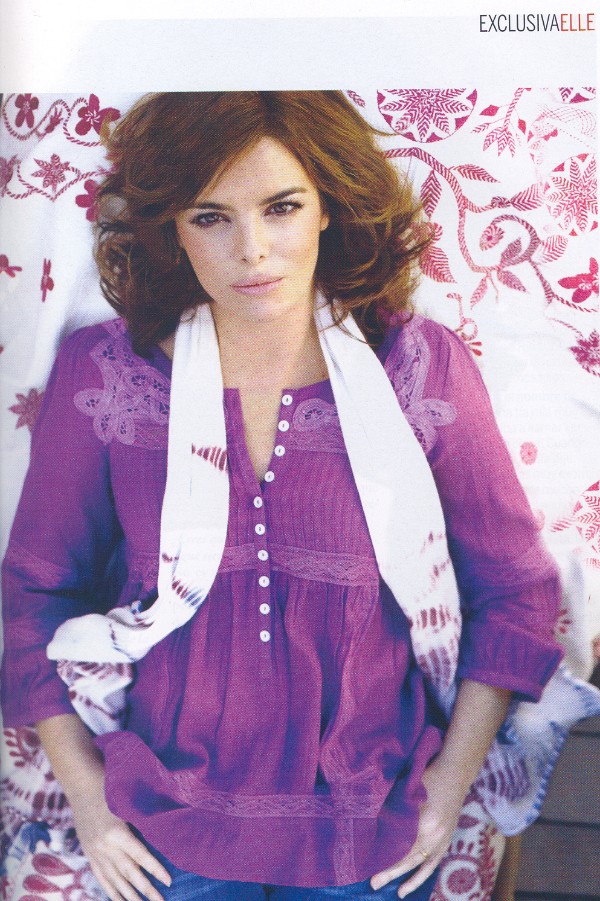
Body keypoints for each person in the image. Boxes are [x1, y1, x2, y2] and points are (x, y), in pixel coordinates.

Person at [1, 91, 564, 901]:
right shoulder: (109, 374)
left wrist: (449, 788)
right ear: (172, 226)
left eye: (282, 207)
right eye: (211, 217)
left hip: (376, 825)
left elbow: (515, 590)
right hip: (159, 825)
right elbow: (34, 592)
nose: (252, 250)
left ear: (328, 205)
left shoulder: (419, 368)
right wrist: (89, 798)